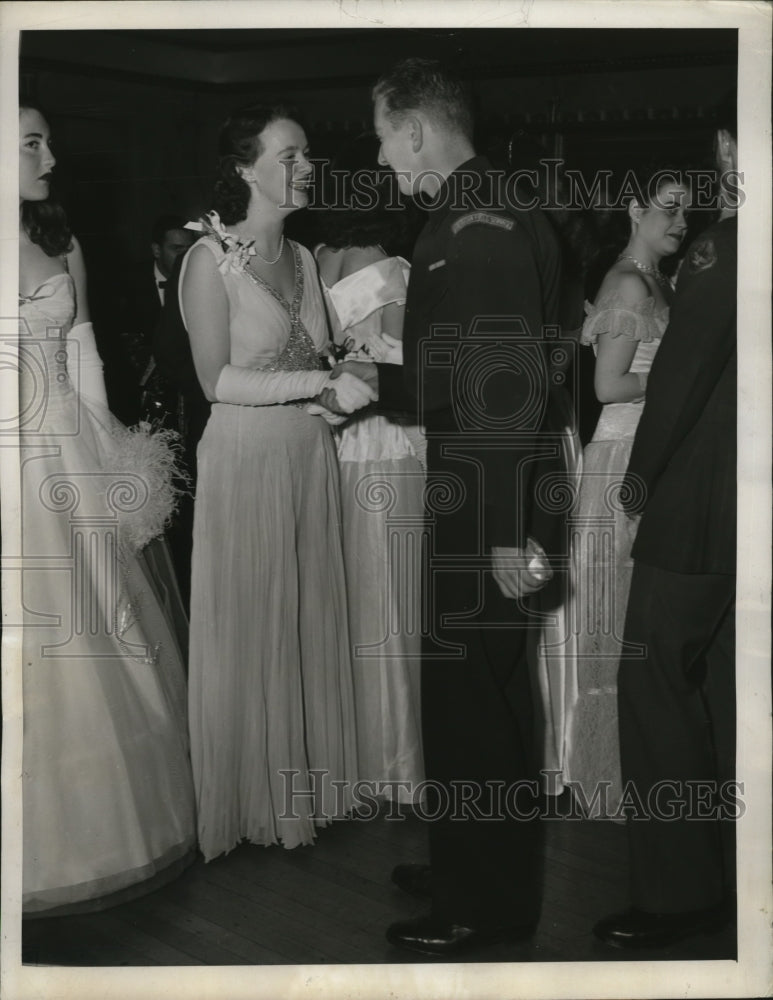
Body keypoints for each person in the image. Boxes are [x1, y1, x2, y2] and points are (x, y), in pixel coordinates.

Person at [330, 58, 563, 956]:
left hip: (485, 501)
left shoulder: (475, 226)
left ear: (417, 128)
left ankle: (484, 907)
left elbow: (499, 391)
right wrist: (376, 380)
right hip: (478, 486)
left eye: (386, 137)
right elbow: (454, 372)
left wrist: (505, 538)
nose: (384, 159)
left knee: (474, 704)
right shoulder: (478, 209)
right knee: (478, 701)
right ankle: (471, 859)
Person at [180, 104, 376, 861]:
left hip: (306, 457)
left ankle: (312, 786)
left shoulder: (302, 255)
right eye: (289, 154)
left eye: (308, 153)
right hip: (246, 458)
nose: (306, 166)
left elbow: (323, 359)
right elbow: (214, 382)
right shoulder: (209, 258)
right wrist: (313, 387)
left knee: (307, 613)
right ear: (243, 167)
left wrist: (341, 385)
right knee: (255, 617)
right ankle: (254, 796)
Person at [17, 104, 196, 916]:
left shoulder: (61, 243)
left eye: (46, 138)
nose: (50, 155)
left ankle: (99, 833)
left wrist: (111, 469)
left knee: (96, 635)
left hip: (65, 459)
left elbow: (85, 356)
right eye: (30, 142)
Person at [594, 104, 738, 947]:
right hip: (741, 512)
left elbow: (679, 381)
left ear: (729, 149)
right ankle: (722, 867)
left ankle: (676, 895)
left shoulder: (726, 244)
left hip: (695, 509)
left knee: (652, 689)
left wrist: (637, 479)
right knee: (714, 692)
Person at [564, 166, 690, 815]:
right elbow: (606, 387)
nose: (679, 223)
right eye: (668, 209)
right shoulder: (624, 283)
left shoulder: (656, 282)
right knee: (613, 622)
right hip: (618, 464)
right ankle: (605, 775)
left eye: (685, 213)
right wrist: (680, 379)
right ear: (634, 208)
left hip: (644, 457)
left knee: (635, 623)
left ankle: (636, 769)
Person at [314, 133, 426, 802]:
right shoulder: (395, 274)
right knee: (390, 601)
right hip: (384, 452)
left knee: (347, 598)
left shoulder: (314, 262)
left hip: (330, 449)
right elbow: (409, 377)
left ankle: (348, 753)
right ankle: (394, 763)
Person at [116, 214, 196, 426]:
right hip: (140, 403)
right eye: (177, 249)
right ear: (157, 250)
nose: (185, 256)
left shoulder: (203, 280)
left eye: (190, 249)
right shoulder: (126, 284)